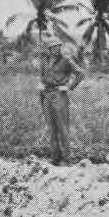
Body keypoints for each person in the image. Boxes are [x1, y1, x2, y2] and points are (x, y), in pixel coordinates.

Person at [37, 36, 85, 166]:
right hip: (46, 94)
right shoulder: (44, 60)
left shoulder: (66, 60)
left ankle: (66, 158)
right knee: (51, 128)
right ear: (49, 49)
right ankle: (55, 157)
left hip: (59, 95)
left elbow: (80, 73)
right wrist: (41, 84)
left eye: (58, 46)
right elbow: (43, 76)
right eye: (53, 47)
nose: (56, 49)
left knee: (62, 127)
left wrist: (69, 87)